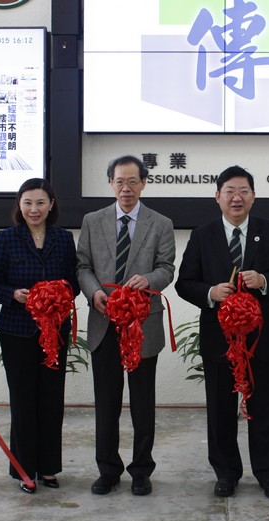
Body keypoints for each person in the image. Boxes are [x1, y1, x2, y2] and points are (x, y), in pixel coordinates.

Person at [176, 165, 269, 500]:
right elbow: (184, 282)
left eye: (244, 190)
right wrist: (210, 293)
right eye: (229, 191)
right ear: (217, 197)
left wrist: (265, 280)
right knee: (220, 409)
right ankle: (226, 473)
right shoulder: (202, 235)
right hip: (219, 339)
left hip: (262, 336)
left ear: (253, 196)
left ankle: (268, 473)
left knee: (264, 408)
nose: (236, 197)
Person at [76, 155, 175, 497]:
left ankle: (141, 470)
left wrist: (146, 280)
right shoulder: (93, 220)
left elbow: (166, 268)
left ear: (144, 183)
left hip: (142, 324)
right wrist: (94, 294)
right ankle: (108, 469)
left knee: (142, 403)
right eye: (120, 181)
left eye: (133, 181)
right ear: (110, 183)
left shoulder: (160, 223)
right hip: (104, 323)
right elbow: (82, 266)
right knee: (106, 403)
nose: (126, 188)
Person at [0, 178, 80, 494]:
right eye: (27, 202)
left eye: (40, 202)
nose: (34, 209)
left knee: (52, 400)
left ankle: (50, 468)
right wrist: (14, 294)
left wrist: (59, 295)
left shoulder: (64, 239)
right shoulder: (7, 239)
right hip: (17, 330)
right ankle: (25, 470)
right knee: (23, 401)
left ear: (51, 204)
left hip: (55, 330)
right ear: (20, 205)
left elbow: (74, 282)